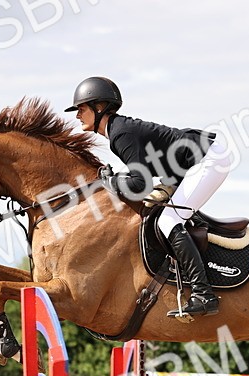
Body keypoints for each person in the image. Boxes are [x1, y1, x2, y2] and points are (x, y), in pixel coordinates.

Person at [66, 76, 232, 317]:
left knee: (169, 221)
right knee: (165, 215)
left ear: (99, 107)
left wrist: (110, 181)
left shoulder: (121, 133)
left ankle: (203, 293)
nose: (77, 115)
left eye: (81, 109)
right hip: (186, 166)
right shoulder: (119, 131)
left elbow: (139, 184)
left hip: (208, 160)